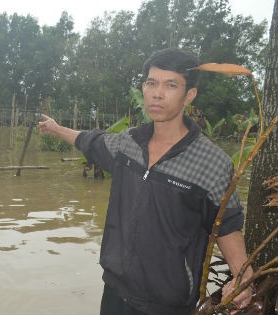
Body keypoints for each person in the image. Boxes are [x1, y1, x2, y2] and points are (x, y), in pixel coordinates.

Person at [38, 48, 253, 315]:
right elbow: (89, 141)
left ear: (189, 95)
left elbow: (227, 225)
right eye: (151, 83)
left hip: (168, 304)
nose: (157, 93)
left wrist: (243, 277)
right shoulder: (127, 143)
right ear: (143, 87)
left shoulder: (212, 163)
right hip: (115, 292)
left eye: (170, 85)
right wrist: (56, 128)